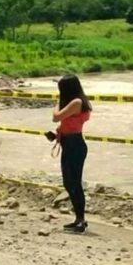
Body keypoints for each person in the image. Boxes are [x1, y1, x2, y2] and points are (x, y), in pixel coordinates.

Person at [51, 74, 92, 234]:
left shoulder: (76, 102)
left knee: (74, 183)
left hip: (74, 144)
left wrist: (57, 102)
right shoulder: (75, 102)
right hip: (69, 142)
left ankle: (81, 220)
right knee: (69, 183)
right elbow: (66, 124)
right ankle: (78, 218)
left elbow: (56, 117)